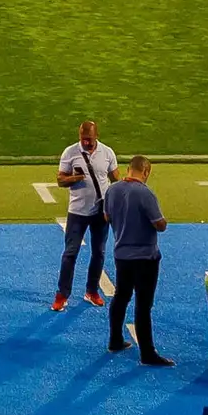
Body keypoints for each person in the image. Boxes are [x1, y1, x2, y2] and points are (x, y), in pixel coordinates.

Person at [101, 156, 170, 365]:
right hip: (145, 257)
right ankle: (147, 353)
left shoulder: (112, 190)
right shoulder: (145, 193)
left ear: (128, 169)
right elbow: (159, 224)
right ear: (146, 171)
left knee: (121, 297)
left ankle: (115, 340)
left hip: (121, 255)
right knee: (143, 305)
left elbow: (106, 217)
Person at [49, 119, 117, 312]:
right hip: (77, 212)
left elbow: (115, 180)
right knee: (70, 254)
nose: (86, 142)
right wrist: (74, 179)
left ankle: (92, 291)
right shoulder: (70, 152)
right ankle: (62, 295)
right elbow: (60, 180)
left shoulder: (107, 153)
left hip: (100, 212)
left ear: (97, 136)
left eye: (89, 139)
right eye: (83, 138)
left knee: (99, 252)